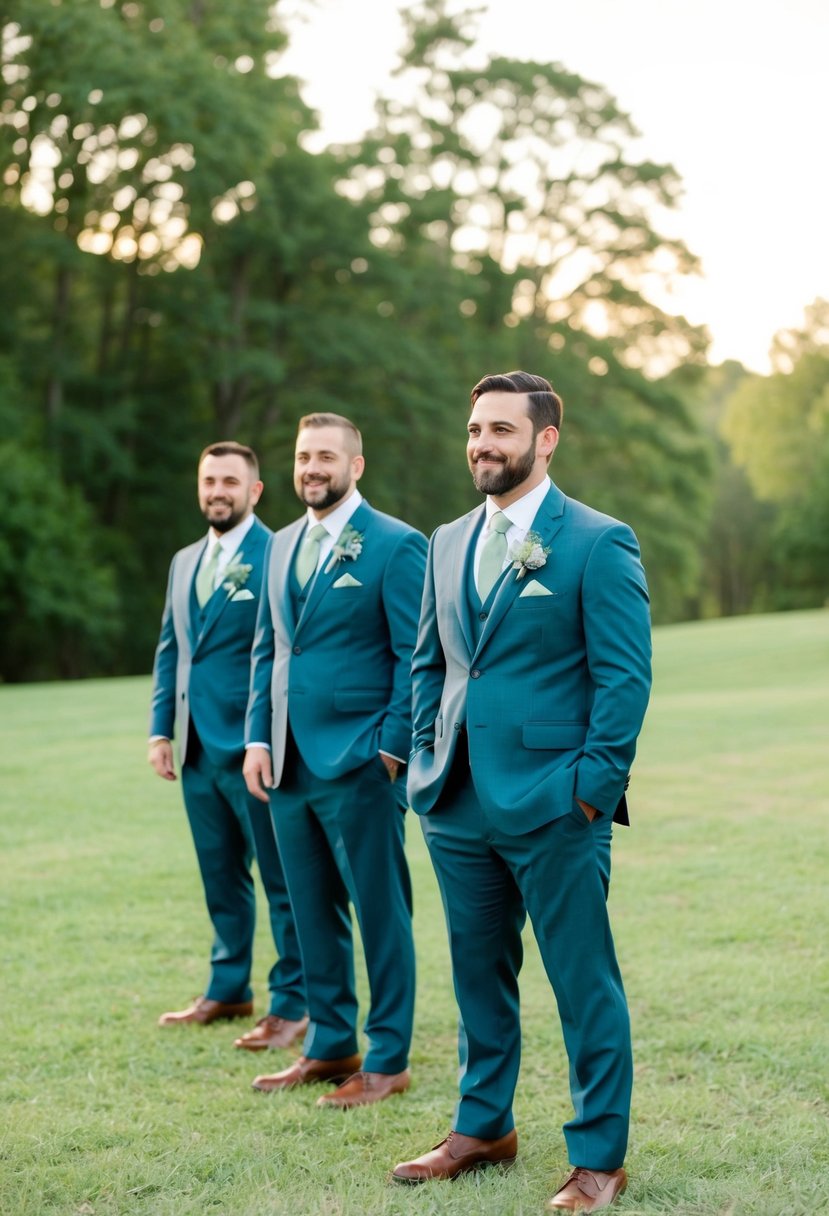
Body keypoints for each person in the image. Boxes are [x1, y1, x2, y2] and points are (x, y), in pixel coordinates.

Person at [392, 372, 652, 1213]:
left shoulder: (597, 540)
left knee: (583, 983)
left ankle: (597, 1160)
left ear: (544, 441)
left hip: (554, 803)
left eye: (501, 430)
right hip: (455, 802)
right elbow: (429, 662)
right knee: (477, 976)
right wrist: (424, 760)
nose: (482, 444)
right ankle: (482, 1127)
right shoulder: (445, 540)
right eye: (474, 429)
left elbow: (623, 680)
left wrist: (588, 791)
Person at [243, 412, 426, 1108]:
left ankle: (387, 1058)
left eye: (325, 455)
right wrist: (258, 739)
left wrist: (388, 750)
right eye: (302, 456)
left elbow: (415, 656)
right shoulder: (281, 544)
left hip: (359, 767)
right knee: (310, 910)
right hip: (286, 765)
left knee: (381, 913)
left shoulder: (394, 544)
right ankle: (328, 1047)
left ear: (356, 465)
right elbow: (269, 648)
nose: (311, 467)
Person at [149, 441, 307, 1052]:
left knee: (281, 880)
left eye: (230, 482)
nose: (217, 490)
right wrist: (161, 730)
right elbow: (172, 651)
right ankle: (228, 987)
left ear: (255, 490)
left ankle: (291, 1003)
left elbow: (281, 654)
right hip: (193, 750)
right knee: (220, 878)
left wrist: (260, 737)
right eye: (209, 479)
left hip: (254, 750)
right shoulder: (184, 560)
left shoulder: (278, 553)